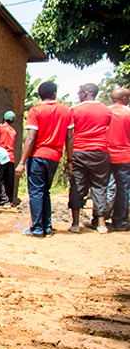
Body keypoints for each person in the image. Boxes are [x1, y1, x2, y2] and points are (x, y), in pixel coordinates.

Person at [16, 81, 72, 237]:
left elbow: (31, 139)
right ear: (54, 94)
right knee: (45, 191)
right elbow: (69, 139)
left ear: (39, 95)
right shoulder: (66, 111)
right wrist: (69, 161)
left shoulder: (35, 111)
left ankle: (36, 228)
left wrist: (22, 162)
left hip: (38, 156)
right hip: (55, 157)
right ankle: (47, 226)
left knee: (35, 192)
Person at [66, 84, 112, 234]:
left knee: (77, 186)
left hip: (79, 152)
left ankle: (75, 224)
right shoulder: (106, 110)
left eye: (79, 93)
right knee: (100, 187)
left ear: (85, 93)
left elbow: (70, 136)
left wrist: (70, 159)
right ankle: (101, 224)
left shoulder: (75, 110)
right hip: (100, 152)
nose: (79, 95)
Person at [106, 87, 130, 231]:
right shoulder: (128, 113)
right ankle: (119, 222)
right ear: (125, 99)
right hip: (125, 157)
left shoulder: (106, 112)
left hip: (105, 155)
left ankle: (99, 218)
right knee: (123, 189)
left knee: (102, 187)